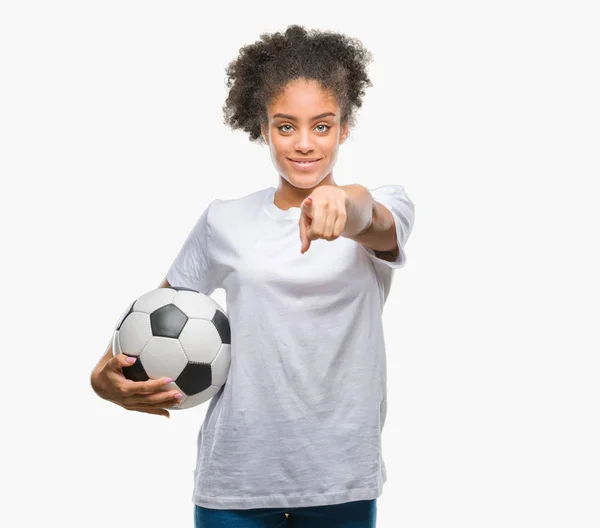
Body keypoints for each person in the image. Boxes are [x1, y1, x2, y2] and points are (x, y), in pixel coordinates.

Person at [90, 24, 415, 528]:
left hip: (339, 479)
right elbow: (158, 316)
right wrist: (104, 376)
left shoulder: (385, 203)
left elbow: (371, 219)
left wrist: (343, 201)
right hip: (236, 480)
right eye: (286, 126)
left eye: (322, 126)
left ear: (345, 127)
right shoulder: (225, 219)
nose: (304, 144)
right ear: (262, 128)